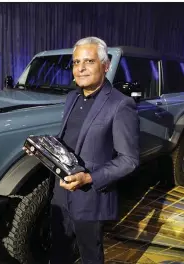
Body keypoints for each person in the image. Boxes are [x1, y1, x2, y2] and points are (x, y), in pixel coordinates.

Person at [26, 36, 140, 264]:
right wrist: (43, 150)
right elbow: (67, 140)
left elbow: (129, 160)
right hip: (60, 194)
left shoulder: (120, 104)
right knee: (58, 253)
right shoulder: (71, 97)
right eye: (76, 63)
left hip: (90, 197)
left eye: (88, 62)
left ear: (105, 66)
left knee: (90, 256)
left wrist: (89, 177)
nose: (81, 69)